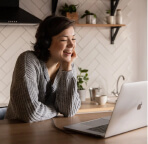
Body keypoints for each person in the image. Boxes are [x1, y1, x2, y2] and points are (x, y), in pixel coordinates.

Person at [5, 15, 81, 123]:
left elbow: (69, 110)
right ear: (46, 43)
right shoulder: (28, 60)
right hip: (18, 133)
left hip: (47, 132)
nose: (72, 44)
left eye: (73, 38)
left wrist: (67, 69)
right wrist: (55, 110)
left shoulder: (68, 65)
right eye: (64, 39)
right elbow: (30, 113)